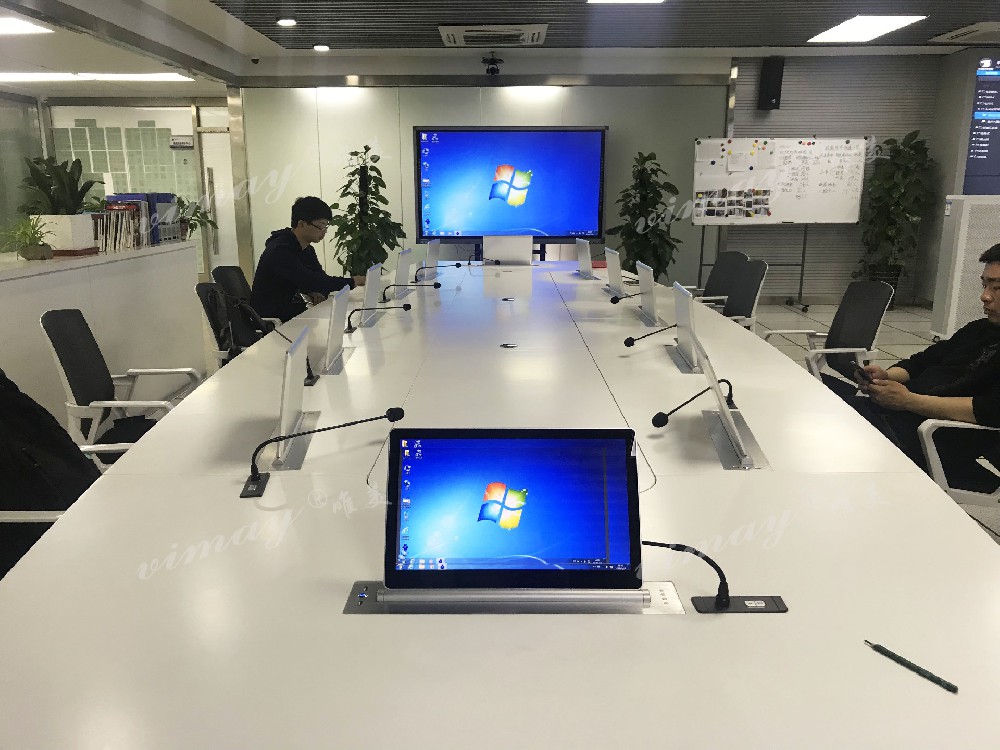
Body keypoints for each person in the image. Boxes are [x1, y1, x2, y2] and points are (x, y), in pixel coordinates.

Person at [850, 243, 1000, 490]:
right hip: (905, 418)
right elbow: (922, 361)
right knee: (831, 406)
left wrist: (907, 401)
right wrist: (886, 376)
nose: (985, 296)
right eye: (984, 285)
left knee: (841, 429)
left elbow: (989, 410)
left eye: (997, 287)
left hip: (936, 437)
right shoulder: (978, 329)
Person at [250, 196, 360, 322]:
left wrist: (315, 292)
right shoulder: (280, 250)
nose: (324, 232)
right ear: (302, 224)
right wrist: (353, 281)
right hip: (272, 319)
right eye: (321, 226)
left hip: (292, 311)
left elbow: (319, 278)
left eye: (326, 227)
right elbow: (311, 280)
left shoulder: (307, 249)